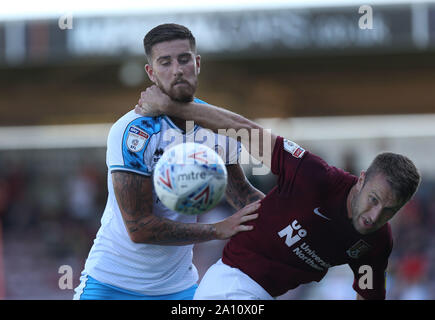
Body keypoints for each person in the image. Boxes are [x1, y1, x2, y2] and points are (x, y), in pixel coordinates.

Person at [136, 85, 421, 300]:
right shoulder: (314, 176)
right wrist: (172, 106)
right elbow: (243, 129)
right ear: (361, 180)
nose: (374, 216)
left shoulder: (376, 243)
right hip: (230, 284)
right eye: (374, 200)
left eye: (388, 211)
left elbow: (369, 293)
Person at [73, 23, 263, 300]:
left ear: (197, 63)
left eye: (184, 59)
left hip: (178, 289)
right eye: (165, 62)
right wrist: (217, 229)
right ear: (151, 72)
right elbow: (139, 228)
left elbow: (243, 195)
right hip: (111, 284)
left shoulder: (218, 128)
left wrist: (299, 216)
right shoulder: (133, 131)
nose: (177, 69)